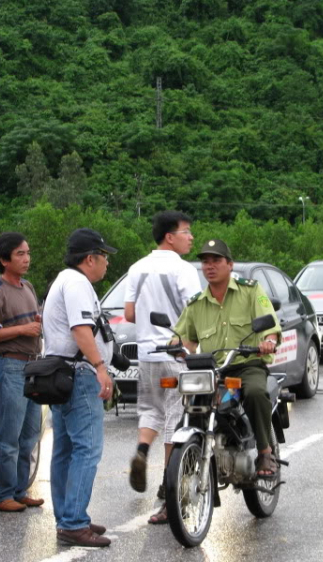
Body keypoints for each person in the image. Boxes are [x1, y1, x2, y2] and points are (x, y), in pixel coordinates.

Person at [172, 239, 283, 478]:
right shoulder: (196, 304)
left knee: (255, 393)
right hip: (214, 371)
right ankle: (171, 487)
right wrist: (176, 346)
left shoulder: (250, 290)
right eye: (205, 262)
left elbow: (269, 325)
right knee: (187, 417)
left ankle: (265, 451)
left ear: (230, 264)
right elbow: (185, 338)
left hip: (247, 365)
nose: (210, 266)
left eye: (216, 261)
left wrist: (269, 342)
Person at [123, 211, 201, 524]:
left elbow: (129, 313)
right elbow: (197, 313)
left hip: (146, 354)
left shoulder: (136, 268)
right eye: (186, 232)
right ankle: (170, 492)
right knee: (175, 420)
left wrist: (148, 323)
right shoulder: (183, 270)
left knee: (150, 410)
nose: (191, 237)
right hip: (176, 354)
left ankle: (143, 449)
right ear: (170, 236)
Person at [42, 228, 116, 548]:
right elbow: (81, 330)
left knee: (65, 450)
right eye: (104, 257)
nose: (107, 264)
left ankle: (69, 517)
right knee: (87, 449)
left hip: (63, 373)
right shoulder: (77, 283)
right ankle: (73, 522)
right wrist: (101, 368)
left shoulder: (65, 280)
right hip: (79, 373)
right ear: (90, 259)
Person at [0, 232, 44, 513]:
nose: (27, 258)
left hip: (32, 367)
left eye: (28, 253)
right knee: (8, 436)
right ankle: (0, 495)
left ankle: (19, 490)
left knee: (29, 435)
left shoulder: (27, 287)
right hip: (10, 367)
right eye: (20, 254)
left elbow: (33, 321)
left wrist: (38, 320)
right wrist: (23, 329)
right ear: (4, 260)